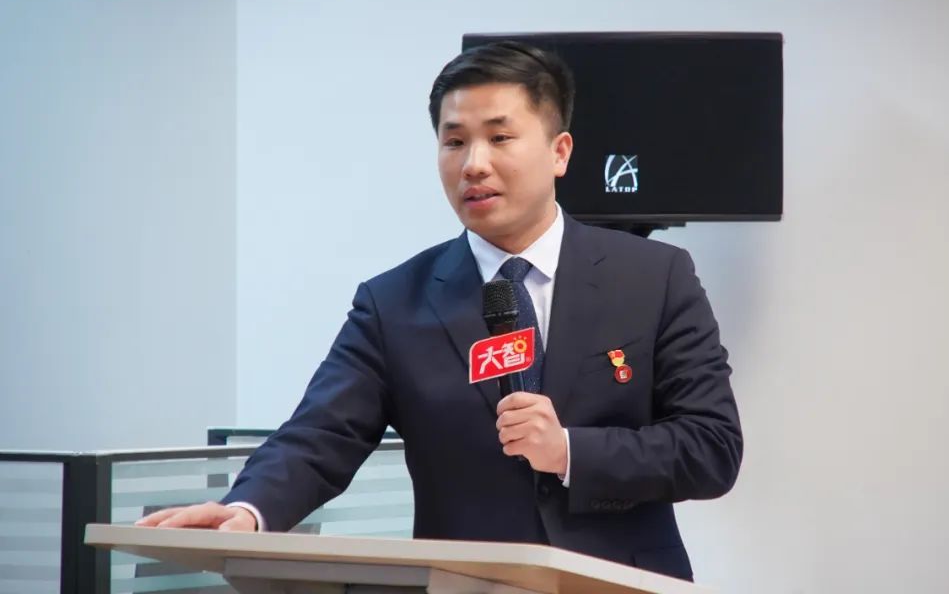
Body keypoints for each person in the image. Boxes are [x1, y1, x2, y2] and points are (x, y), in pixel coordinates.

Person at [137, 41, 742, 581]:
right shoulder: (394, 303)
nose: (473, 163)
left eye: (500, 138)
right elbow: (320, 434)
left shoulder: (654, 277)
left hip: (623, 581)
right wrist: (247, 510)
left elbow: (711, 446)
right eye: (454, 141)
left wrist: (568, 451)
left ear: (559, 152)